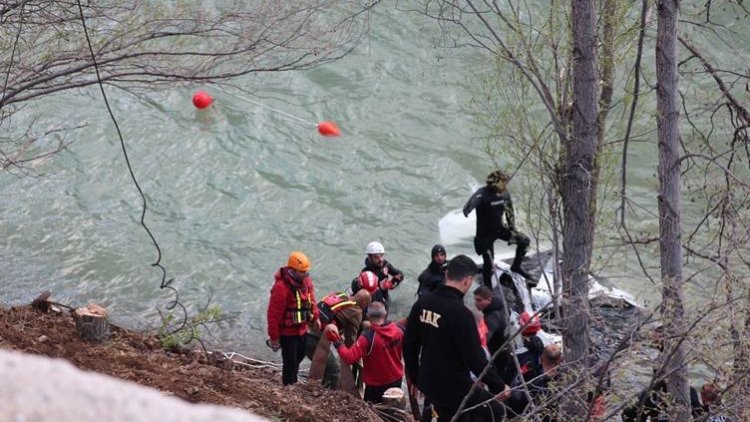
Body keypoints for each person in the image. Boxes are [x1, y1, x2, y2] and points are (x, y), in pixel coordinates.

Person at [404, 254, 507, 421]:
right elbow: (476, 360)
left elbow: (409, 345)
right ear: (467, 281)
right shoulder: (462, 315)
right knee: (496, 411)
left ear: (446, 275)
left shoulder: (422, 303)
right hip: (454, 386)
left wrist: (416, 377)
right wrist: (499, 385)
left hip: (428, 380)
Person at [463, 170, 532, 287]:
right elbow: (469, 206)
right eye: (503, 182)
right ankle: (487, 286)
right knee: (489, 262)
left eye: (506, 182)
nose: (505, 185)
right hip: (484, 235)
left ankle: (516, 266)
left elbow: (510, 212)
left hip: (499, 229)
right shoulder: (482, 194)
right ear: (494, 182)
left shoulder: (505, 193)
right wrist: (468, 209)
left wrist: (512, 229)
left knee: (525, 241)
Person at [328, 301, 405, 403]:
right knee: (393, 411)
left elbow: (349, 358)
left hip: (376, 386)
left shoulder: (368, 337)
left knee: (375, 413)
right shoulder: (398, 331)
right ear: (385, 313)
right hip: (396, 380)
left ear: (368, 316)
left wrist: (337, 343)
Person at [267, 251, 320, 385]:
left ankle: (292, 380)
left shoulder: (306, 282)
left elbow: (311, 300)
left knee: (300, 355)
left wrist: (316, 317)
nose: (306, 274)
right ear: (293, 270)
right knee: (290, 362)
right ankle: (288, 385)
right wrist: (274, 337)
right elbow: (273, 314)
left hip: (302, 328)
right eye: (303, 272)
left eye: (307, 271)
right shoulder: (281, 288)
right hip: (288, 333)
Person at [304, 289, 371, 389]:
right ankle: (329, 396)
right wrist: (356, 356)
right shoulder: (356, 312)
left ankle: (320, 387)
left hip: (303, 330)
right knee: (335, 371)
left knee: (326, 368)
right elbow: (350, 342)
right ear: (364, 303)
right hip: (313, 339)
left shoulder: (340, 294)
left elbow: (333, 315)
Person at [505, 343, 563, 421]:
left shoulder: (530, 373)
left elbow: (515, 395)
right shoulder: (564, 378)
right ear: (560, 359)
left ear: (542, 357)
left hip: (527, 415)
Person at [474, 286, 515, 385]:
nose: (476, 303)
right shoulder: (502, 306)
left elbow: (483, 341)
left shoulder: (492, 317)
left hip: (497, 355)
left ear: (489, 299)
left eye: (479, 300)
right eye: (475, 300)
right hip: (506, 347)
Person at [356, 241, 404, 306]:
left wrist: (395, 282)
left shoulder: (385, 265)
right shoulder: (366, 272)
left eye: (381, 256)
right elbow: (364, 293)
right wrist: (381, 287)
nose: (380, 259)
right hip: (373, 303)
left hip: (386, 298)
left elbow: (399, 273)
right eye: (376, 257)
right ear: (370, 258)